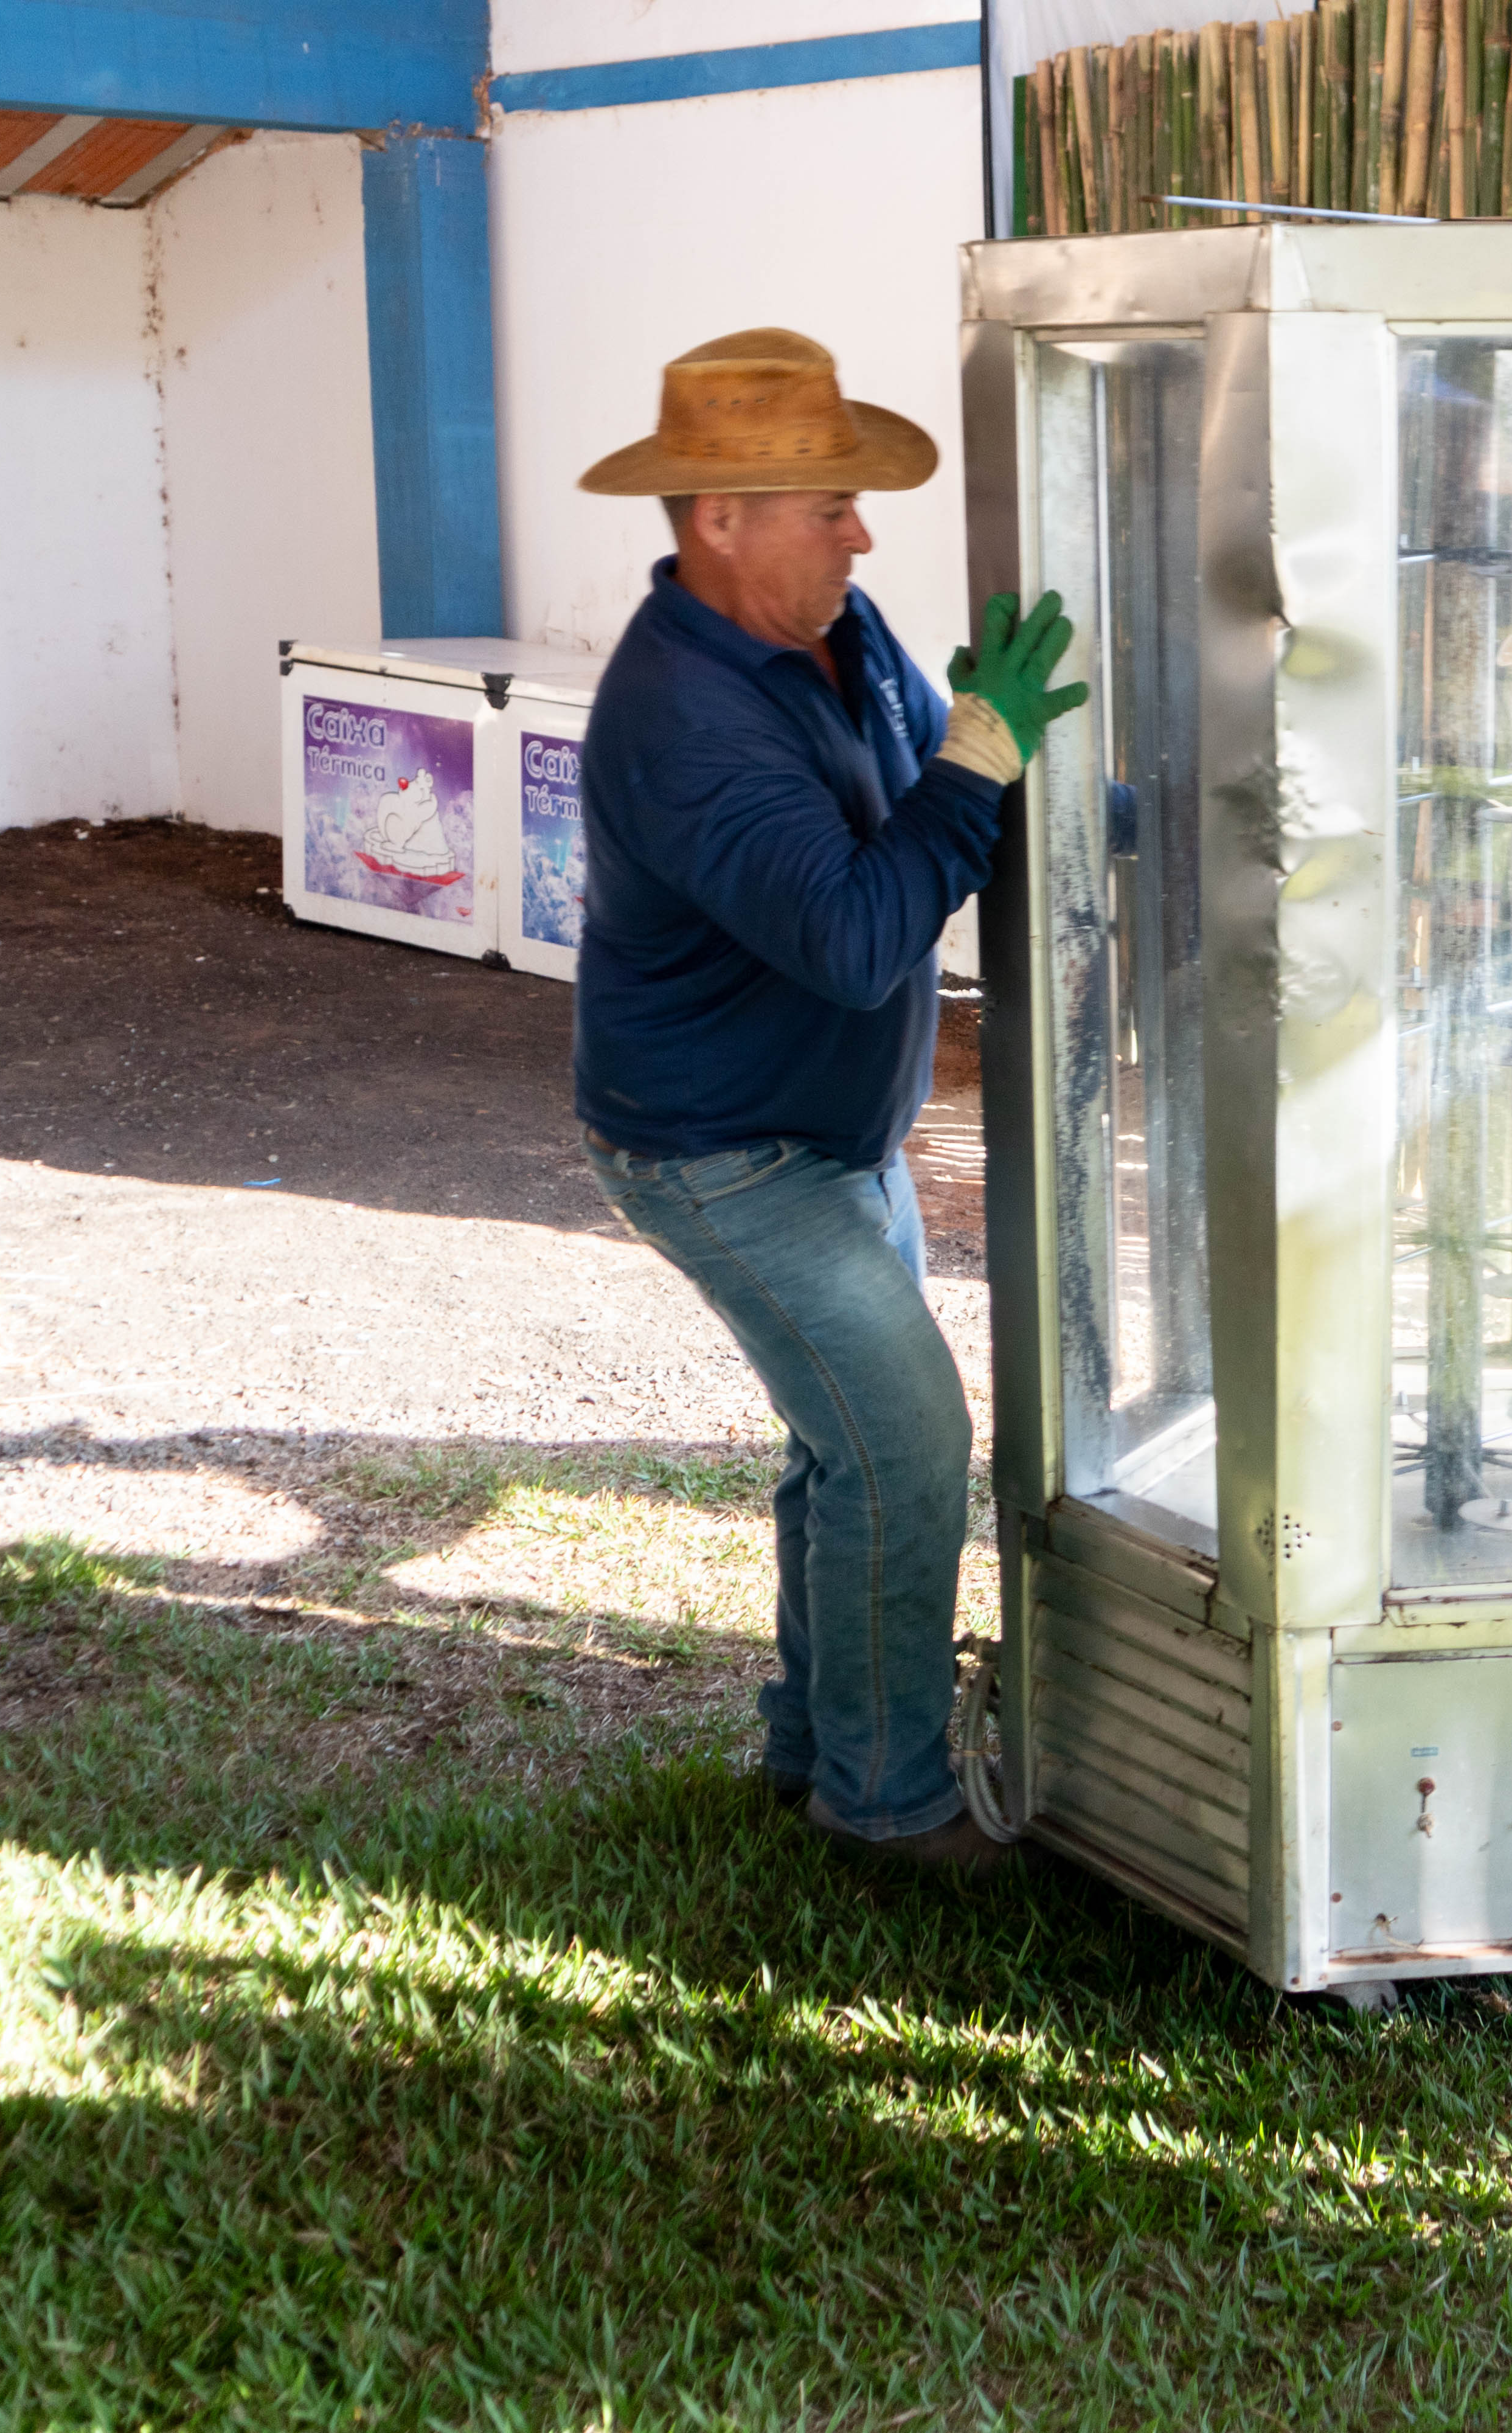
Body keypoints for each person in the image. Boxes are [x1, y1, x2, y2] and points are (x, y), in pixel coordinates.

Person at [569, 328, 1084, 1878]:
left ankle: (813, 1745)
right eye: (828, 506)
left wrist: (1148, 812)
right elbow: (864, 935)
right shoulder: (683, 720)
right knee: (908, 1444)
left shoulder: (840, 633)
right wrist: (985, 753)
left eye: (857, 503)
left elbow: (947, 776)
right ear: (716, 515)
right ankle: (889, 1801)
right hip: (720, 1154)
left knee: (838, 1441)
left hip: (825, 1137)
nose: (863, 534)